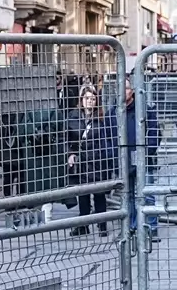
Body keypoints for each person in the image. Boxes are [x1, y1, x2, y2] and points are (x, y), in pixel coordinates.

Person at [66, 86, 118, 237]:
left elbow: (108, 140)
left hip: (98, 161)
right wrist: (70, 154)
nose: (90, 101)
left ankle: (102, 225)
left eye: (93, 99)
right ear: (81, 100)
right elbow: (66, 138)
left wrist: (108, 160)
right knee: (83, 195)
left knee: (99, 195)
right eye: (87, 98)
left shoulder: (102, 118)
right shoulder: (73, 117)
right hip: (81, 162)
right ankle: (83, 225)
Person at [19, 82, 68, 224]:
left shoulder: (28, 106)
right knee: (47, 183)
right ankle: (46, 214)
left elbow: (21, 129)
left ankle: (41, 214)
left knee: (38, 184)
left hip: (35, 151)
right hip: (45, 149)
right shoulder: (51, 107)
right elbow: (59, 124)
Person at [123, 74, 160, 240]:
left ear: (132, 90)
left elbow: (154, 134)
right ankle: (131, 227)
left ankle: (151, 228)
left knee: (148, 193)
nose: (123, 92)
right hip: (123, 160)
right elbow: (107, 136)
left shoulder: (145, 110)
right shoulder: (113, 112)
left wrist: (146, 153)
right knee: (128, 195)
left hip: (144, 159)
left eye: (126, 88)